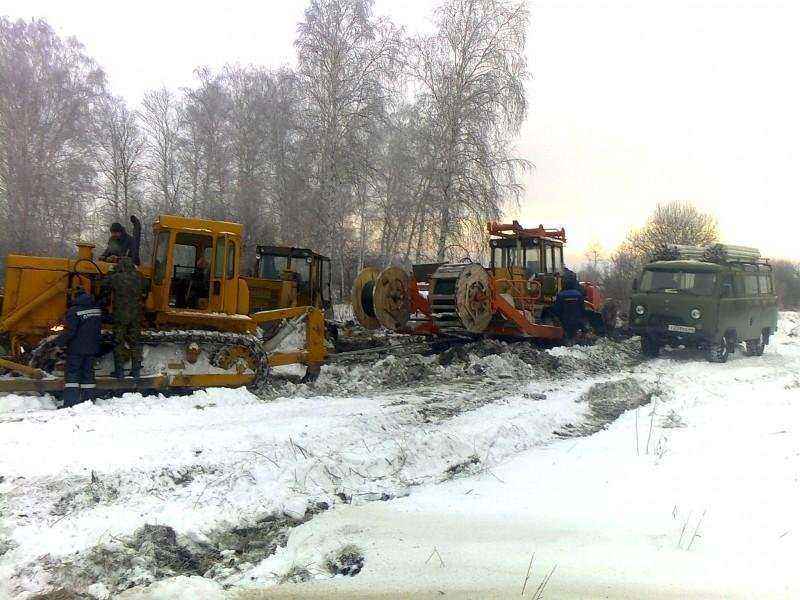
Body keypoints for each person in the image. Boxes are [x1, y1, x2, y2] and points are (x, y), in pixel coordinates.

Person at [56, 289, 102, 407]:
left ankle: (71, 402)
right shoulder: (97, 310)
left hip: (77, 349)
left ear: (76, 298)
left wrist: (59, 342)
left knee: (72, 374)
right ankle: (89, 401)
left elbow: (70, 331)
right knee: (88, 373)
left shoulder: (74, 311)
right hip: (92, 348)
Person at [101, 256, 143, 378]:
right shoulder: (138, 278)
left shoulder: (117, 278)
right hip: (135, 315)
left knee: (119, 342)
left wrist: (111, 270)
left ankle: (119, 372)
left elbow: (105, 284)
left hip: (120, 315)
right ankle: (136, 371)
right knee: (135, 343)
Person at [552, 276, 586, 341]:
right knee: (574, 332)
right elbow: (582, 308)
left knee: (567, 334)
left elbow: (557, 309)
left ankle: (567, 343)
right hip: (576, 318)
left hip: (565, 319)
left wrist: (557, 317)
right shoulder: (579, 294)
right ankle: (575, 343)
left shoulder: (561, 295)